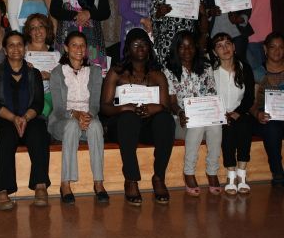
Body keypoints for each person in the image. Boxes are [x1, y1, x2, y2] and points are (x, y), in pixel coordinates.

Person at [101, 28, 175, 205]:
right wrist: (123, 108)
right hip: (121, 125)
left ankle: (158, 177)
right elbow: (104, 107)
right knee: (129, 119)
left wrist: (154, 108)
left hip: (148, 126)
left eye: (144, 44)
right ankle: (131, 180)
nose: (140, 48)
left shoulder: (158, 75)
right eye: (136, 44)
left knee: (165, 120)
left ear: (149, 48)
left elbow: (165, 106)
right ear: (128, 48)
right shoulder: (117, 72)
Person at [0, 31, 50, 210]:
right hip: (6, 118)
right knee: (5, 137)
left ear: (25, 49)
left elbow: (38, 103)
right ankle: (2, 190)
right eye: (11, 45)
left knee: (39, 133)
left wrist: (24, 118)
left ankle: (40, 186)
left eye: (19, 45)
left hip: (29, 117)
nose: (16, 48)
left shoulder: (34, 73)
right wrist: (14, 118)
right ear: (5, 50)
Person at [49, 31, 108, 203]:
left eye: (82, 45)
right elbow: (59, 108)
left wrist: (88, 116)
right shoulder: (57, 73)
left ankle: (98, 182)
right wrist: (75, 115)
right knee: (72, 126)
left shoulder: (95, 72)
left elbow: (95, 104)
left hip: (88, 118)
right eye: (74, 45)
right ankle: (65, 184)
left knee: (96, 126)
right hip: (63, 120)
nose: (79, 49)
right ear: (66, 48)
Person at [164, 31, 221, 196]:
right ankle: (188, 172)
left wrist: (214, 113)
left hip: (206, 117)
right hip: (181, 120)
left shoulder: (206, 66)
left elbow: (212, 93)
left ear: (196, 48)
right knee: (196, 126)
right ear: (176, 49)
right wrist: (180, 112)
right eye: (182, 47)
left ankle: (212, 171)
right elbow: (172, 102)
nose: (186, 51)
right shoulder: (169, 70)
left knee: (216, 125)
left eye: (190, 46)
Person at [212, 32, 255, 195]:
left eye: (228, 43)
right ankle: (230, 175)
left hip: (240, 112)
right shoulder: (211, 71)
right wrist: (222, 114)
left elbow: (249, 97)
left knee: (245, 125)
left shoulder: (245, 68)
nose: (225, 48)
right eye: (219, 45)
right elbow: (209, 96)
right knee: (227, 129)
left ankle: (242, 174)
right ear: (215, 52)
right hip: (219, 115)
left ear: (234, 47)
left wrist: (237, 112)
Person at [251, 32, 284, 186]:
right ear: (265, 49)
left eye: (281, 47)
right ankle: (278, 173)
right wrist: (257, 114)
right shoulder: (257, 72)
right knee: (272, 127)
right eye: (273, 47)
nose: (277, 51)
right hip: (264, 119)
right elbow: (250, 102)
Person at [23, 13, 59, 118]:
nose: (37, 31)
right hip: (27, 94)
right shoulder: (21, 52)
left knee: (47, 106)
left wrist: (50, 77)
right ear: (29, 32)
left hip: (48, 94)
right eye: (33, 28)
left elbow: (65, 79)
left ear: (47, 29)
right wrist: (25, 71)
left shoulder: (55, 54)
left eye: (41, 26)